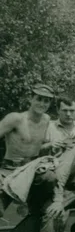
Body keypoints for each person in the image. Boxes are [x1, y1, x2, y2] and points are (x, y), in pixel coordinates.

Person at [0, 84, 56, 217]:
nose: (42, 103)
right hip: (9, 169)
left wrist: (51, 145)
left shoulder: (46, 120)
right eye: (39, 99)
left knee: (50, 178)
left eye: (46, 100)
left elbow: (36, 145)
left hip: (32, 169)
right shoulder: (16, 118)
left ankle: (38, 210)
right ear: (31, 99)